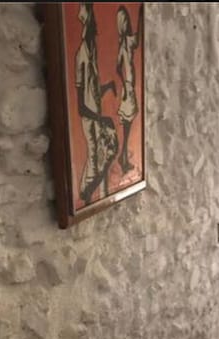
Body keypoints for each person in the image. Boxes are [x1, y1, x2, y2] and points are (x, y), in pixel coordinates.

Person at [74, 2, 119, 206]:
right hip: (90, 119)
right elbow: (81, 105)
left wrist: (107, 86)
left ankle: (90, 197)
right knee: (95, 161)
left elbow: (91, 92)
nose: (97, 28)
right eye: (94, 24)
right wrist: (101, 118)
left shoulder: (91, 54)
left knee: (104, 155)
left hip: (95, 117)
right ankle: (85, 196)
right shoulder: (82, 56)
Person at [115, 5, 140, 174]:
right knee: (127, 124)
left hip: (128, 87)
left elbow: (118, 67)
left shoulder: (125, 43)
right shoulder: (125, 43)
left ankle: (123, 156)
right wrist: (125, 85)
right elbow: (118, 68)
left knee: (128, 124)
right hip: (128, 88)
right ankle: (123, 157)